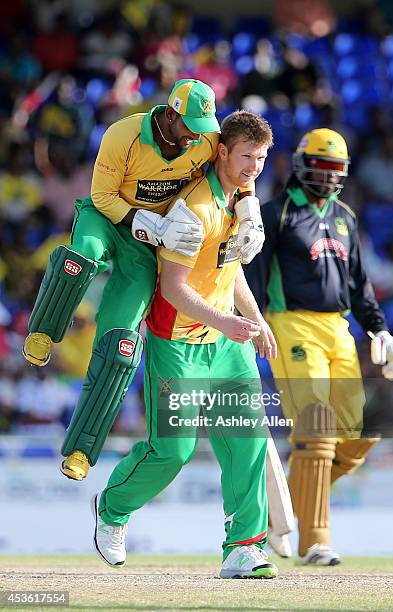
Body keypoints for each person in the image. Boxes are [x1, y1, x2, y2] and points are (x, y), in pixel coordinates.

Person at [22, 79, 266, 482]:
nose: (196, 137)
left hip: (146, 248)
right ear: (170, 115)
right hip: (109, 219)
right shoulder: (123, 135)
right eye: (188, 125)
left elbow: (241, 170)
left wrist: (249, 213)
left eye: (203, 127)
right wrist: (150, 225)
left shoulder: (206, 136)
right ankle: (44, 332)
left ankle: (82, 448)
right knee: (79, 260)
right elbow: (102, 198)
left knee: (121, 346)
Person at [91, 110, 280, 579]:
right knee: (171, 452)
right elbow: (174, 287)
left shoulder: (240, 198)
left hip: (226, 340)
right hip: (177, 341)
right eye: (246, 157)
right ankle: (112, 509)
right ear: (221, 152)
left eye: (260, 158)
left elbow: (228, 268)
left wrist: (256, 320)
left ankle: (244, 547)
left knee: (247, 441)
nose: (253, 167)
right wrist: (227, 321)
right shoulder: (194, 208)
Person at [245, 128, 393, 565]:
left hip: (340, 329)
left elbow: (359, 284)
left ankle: (283, 497)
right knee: (315, 426)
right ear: (302, 165)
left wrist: (379, 330)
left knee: (354, 433)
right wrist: (253, 326)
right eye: (322, 166)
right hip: (291, 324)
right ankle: (314, 540)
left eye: (337, 168)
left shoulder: (346, 219)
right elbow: (254, 280)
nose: (330, 176)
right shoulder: (275, 214)